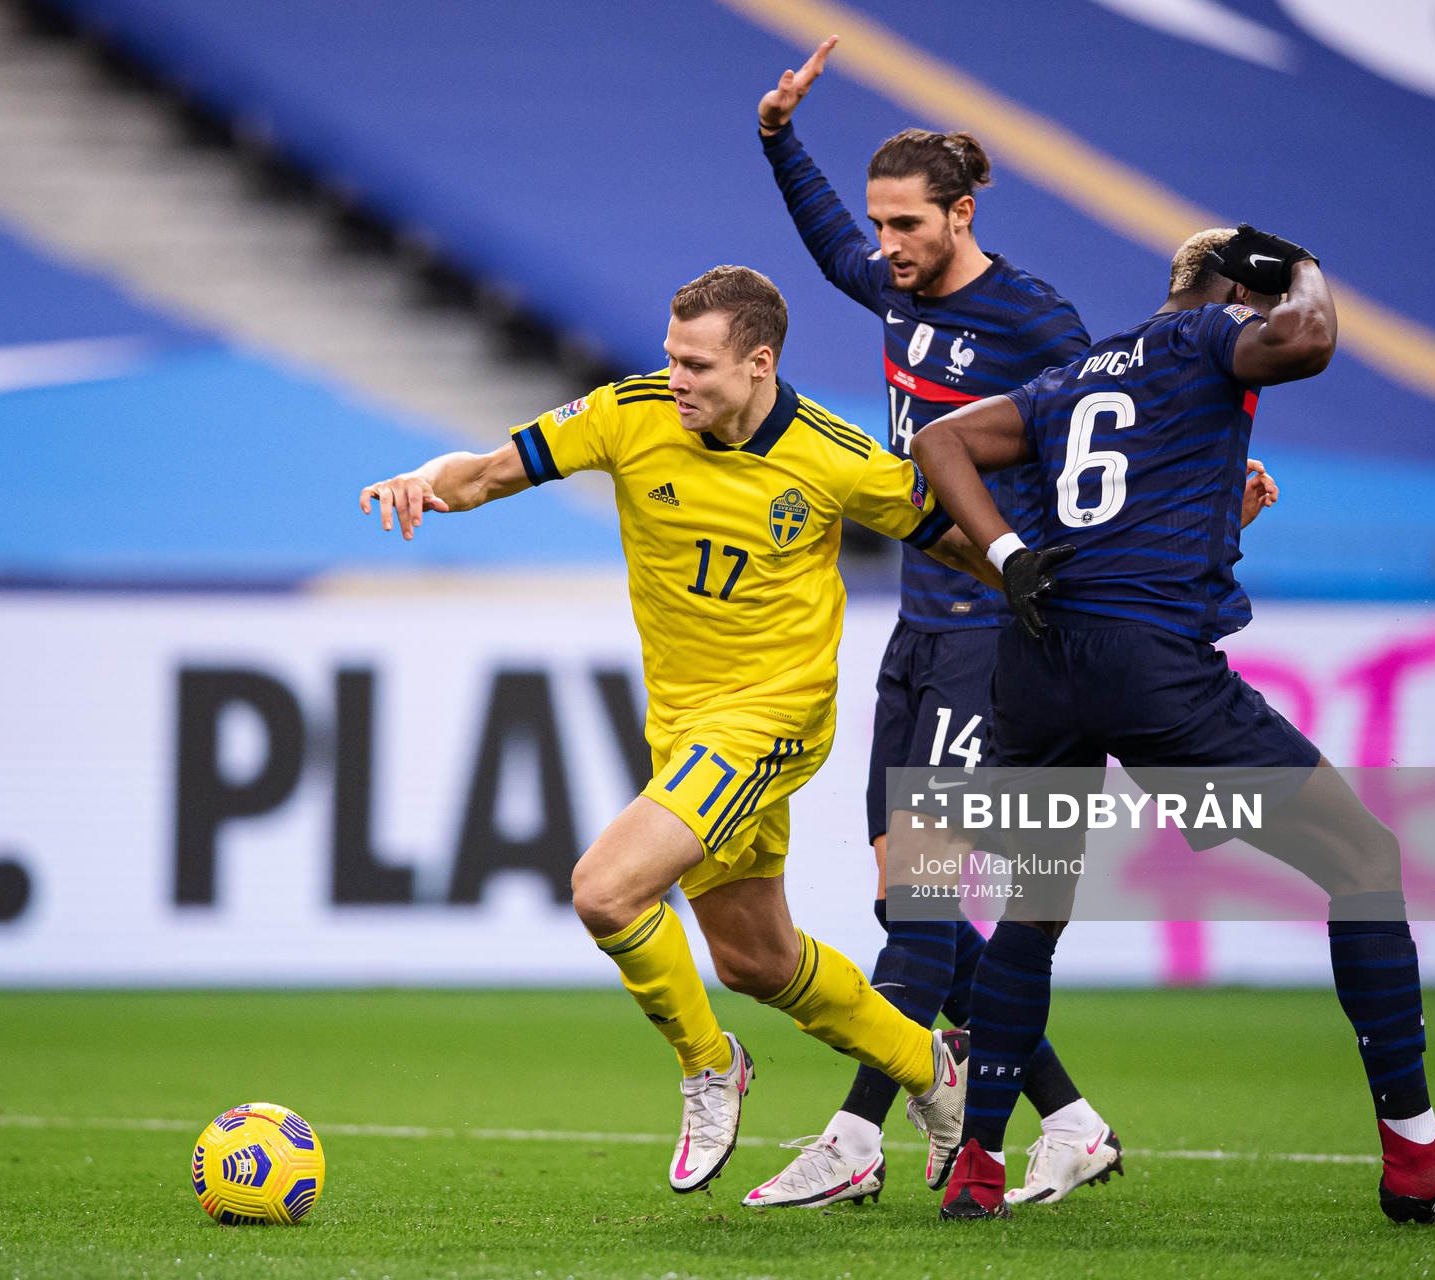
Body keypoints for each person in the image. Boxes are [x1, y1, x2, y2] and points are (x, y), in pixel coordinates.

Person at [910, 224, 1435, 1221]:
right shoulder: (1209, 334)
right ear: (1232, 293)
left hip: (1039, 662)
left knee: (1032, 910)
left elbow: (940, 440)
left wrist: (1006, 557)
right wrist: (1302, 270)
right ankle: (1415, 1156)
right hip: (1146, 670)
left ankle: (980, 1166)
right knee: (1362, 858)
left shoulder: (1078, 372)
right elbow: (1309, 342)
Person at [747, 34, 1271, 1210]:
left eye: (907, 227)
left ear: (963, 212)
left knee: (928, 892)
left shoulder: (1036, 317)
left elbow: (1126, 412)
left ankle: (859, 1133)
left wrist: (1218, 487)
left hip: (993, 626)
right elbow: (829, 240)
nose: (885, 249)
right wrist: (779, 137)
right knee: (901, 897)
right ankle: (1073, 1119)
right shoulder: (889, 279)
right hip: (914, 623)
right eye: (880, 227)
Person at [360, 265, 979, 1198]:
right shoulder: (628, 413)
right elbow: (485, 471)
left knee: (605, 891)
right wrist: (423, 480)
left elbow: (964, 534)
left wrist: (1086, 578)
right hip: (685, 727)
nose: (676, 377)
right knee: (756, 961)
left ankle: (707, 1066)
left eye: (696, 363)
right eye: (670, 357)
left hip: (776, 715)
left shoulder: (832, 456)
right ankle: (934, 1071)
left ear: (759, 363)